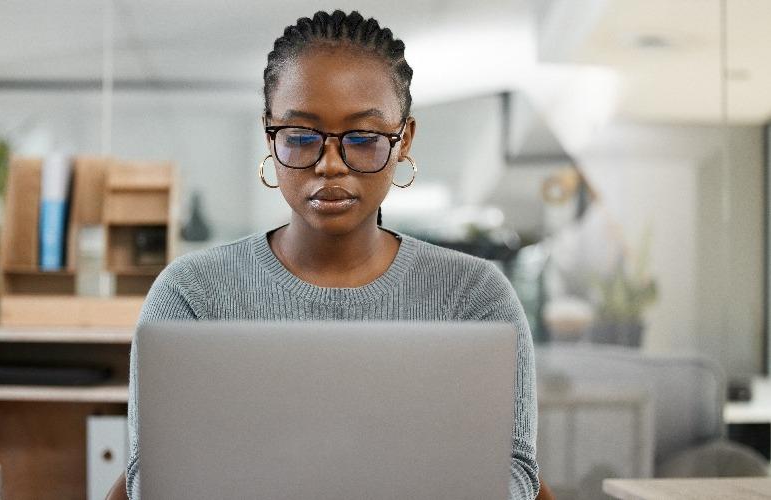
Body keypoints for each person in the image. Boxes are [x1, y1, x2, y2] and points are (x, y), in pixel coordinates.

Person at [107, 10, 539, 500]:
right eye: (301, 137)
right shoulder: (191, 294)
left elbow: (514, 473)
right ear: (270, 134)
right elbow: (153, 478)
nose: (330, 165)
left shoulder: (475, 297)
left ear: (404, 141)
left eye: (363, 139)